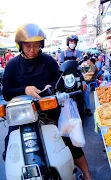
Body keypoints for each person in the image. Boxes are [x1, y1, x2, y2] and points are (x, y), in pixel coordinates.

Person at [2, 23, 93, 180]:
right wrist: (24, 90)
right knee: (11, 146)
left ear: (41, 45)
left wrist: (50, 86)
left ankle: (87, 175)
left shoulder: (48, 61)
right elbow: (6, 92)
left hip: (49, 110)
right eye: (28, 46)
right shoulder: (12, 65)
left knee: (70, 141)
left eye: (36, 46)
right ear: (20, 45)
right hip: (23, 115)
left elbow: (60, 82)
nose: (32, 50)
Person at [60, 35, 92, 116]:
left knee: (85, 88)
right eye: (71, 41)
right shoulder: (63, 53)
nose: (73, 43)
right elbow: (60, 65)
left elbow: (80, 63)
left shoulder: (77, 52)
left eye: (74, 42)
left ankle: (88, 108)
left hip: (77, 74)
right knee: (58, 89)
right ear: (68, 42)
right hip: (66, 76)